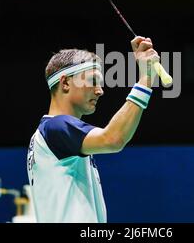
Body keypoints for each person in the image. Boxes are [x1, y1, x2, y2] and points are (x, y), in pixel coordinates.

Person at [27, 36, 159, 223]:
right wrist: (146, 78)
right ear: (65, 83)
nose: (100, 90)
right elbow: (113, 139)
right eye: (93, 81)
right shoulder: (56, 127)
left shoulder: (46, 134)